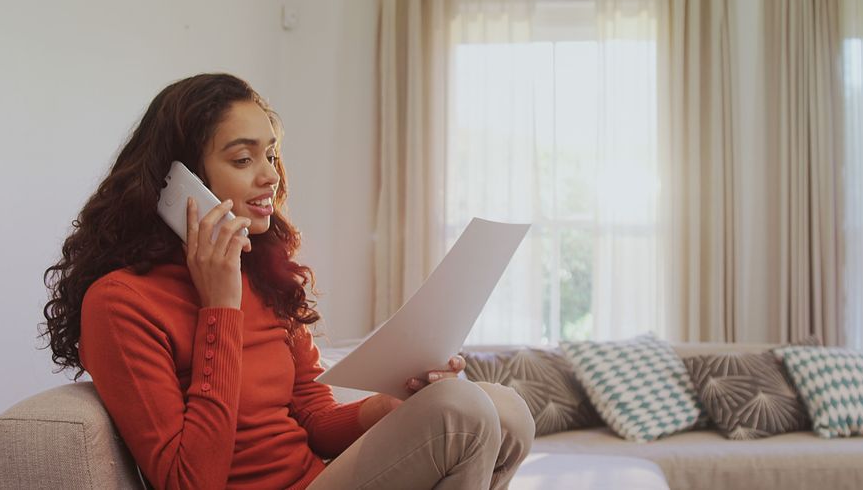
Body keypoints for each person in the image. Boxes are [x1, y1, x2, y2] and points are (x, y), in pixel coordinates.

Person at [41, 73, 534, 490]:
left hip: (313, 478)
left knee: (505, 408)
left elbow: (314, 419)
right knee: (460, 411)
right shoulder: (120, 302)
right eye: (242, 159)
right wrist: (219, 308)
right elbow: (188, 481)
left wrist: (395, 406)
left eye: (271, 156)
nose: (270, 176)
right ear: (178, 183)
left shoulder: (263, 273)